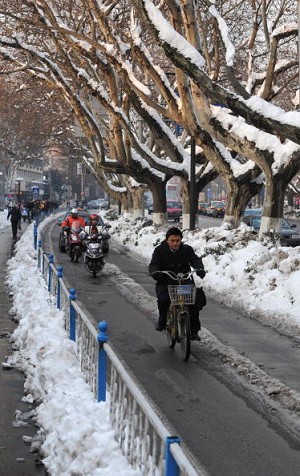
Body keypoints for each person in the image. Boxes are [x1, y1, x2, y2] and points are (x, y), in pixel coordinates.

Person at [149, 227, 206, 341]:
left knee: (193, 301)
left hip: (184, 280)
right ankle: (162, 321)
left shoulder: (187, 250)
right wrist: (155, 272)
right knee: (164, 300)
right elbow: (154, 264)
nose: (175, 243)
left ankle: (194, 330)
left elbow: (195, 260)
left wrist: (199, 268)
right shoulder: (159, 250)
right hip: (166, 280)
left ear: (181, 240)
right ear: (167, 240)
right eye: (172, 240)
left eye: (177, 240)